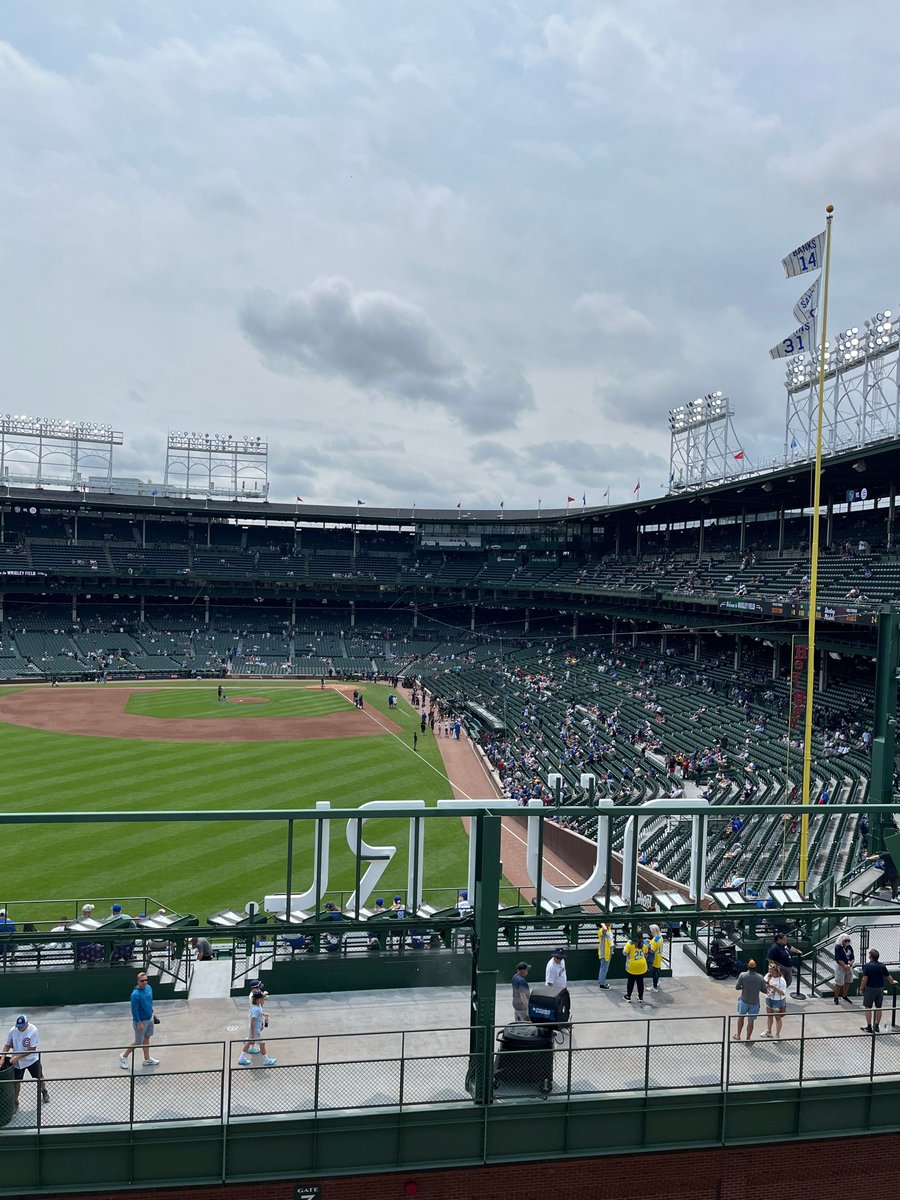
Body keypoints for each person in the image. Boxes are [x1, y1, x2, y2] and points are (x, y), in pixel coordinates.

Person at [1, 1014, 49, 1108]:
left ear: (26, 1024)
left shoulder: (33, 1030)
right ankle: (15, 1101)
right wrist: (2, 1058)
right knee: (16, 1082)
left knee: (39, 1076)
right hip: (18, 1062)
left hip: (31, 1059)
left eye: (22, 1026)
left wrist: (17, 1057)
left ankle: (44, 1091)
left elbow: (32, 1049)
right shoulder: (13, 1031)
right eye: (18, 1026)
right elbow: (7, 1045)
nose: (20, 1028)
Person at [119, 971, 159, 1069]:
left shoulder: (149, 988)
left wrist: (153, 1013)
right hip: (141, 1022)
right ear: (138, 981)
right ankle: (124, 1056)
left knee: (147, 1038)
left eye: (146, 980)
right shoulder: (135, 995)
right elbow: (134, 1011)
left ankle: (147, 1059)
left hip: (149, 1018)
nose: (144, 982)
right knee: (138, 1042)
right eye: (142, 981)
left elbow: (149, 1002)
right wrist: (139, 1023)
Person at [859, 949, 897, 1034]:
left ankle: (869, 1027)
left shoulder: (867, 966)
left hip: (870, 989)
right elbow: (888, 976)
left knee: (868, 1008)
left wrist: (861, 988)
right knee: (878, 1008)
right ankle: (876, 1026)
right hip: (880, 989)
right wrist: (892, 981)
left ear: (870, 956)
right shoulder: (882, 966)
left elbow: (865, 978)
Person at [238, 988, 276, 1066]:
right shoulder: (257, 1009)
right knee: (262, 1043)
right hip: (255, 1030)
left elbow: (256, 1015)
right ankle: (266, 1060)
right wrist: (252, 1035)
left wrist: (263, 1014)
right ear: (258, 1000)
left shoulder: (256, 1007)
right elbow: (252, 1022)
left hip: (254, 1029)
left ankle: (241, 1059)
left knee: (249, 1042)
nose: (263, 1000)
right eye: (262, 999)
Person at [733, 960, 766, 1042]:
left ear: (748, 966)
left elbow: (737, 987)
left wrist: (744, 987)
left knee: (741, 1018)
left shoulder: (742, 975)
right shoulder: (760, 977)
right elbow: (764, 990)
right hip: (755, 1003)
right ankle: (748, 1038)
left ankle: (738, 1035)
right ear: (755, 968)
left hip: (744, 1001)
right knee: (751, 1022)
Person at [762, 963, 787, 1039]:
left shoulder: (782, 981)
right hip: (769, 998)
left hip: (777, 1001)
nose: (771, 973)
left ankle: (777, 1035)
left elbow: (783, 993)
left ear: (777, 972)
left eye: (773, 972)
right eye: (770, 971)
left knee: (777, 1017)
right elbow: (763, 984)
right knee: (769, 1016)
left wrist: (774, 987)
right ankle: (769, 1031)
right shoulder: (768, 976)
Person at [622, 934, 648, 1004]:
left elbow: (624, 953)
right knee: (640, 982)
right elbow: (646, 953)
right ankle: (640, 997)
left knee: (630, 982)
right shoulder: (644, 943)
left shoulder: (630, 943)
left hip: (632, 966)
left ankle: (628, 996)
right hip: (642, 966)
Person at [833, 935, 855, 1005]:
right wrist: (844, 965)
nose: (847, 942)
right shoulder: (838, 947)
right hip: (841, 966)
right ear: (842, 941)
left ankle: (845, 995)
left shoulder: (849, 947)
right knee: (839, 982)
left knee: (848, 981)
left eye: (848, 940)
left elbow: (853, 957)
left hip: (849, 966)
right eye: (846, 941)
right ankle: (836, 997)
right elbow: (838, 958)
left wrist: (850, 964)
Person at [645, 923, 664, 992]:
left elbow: (652, 951)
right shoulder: (660, 937)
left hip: (654, 958)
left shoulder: (654, 941)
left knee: (655, 972)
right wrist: (650, 942)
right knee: (658, 969)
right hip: (659, 956)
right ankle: (657, 982)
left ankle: (654, 987)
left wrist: (647, 945)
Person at [597, 922, 613, 989]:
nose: (609, 923)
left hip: (609, 950)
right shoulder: (601, 930)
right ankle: (602, 984)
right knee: (604, 968)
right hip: (604, 952)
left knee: (605, 968)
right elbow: (604, 929)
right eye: (607, 923)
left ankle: (602, 982)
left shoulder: (609, 928)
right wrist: (602, 923)